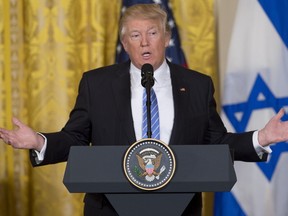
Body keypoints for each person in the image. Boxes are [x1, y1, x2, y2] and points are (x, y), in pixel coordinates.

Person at [0, 3, 288, 216]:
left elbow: (215, 142)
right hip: (108, 208)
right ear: (125, 44)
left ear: (165, 38)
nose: (145, 42)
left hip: (180, 207)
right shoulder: (96, 84)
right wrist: (40, 141)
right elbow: (75, 138)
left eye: (152, 33)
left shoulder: (197, 85)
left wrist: (260, 138)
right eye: (135, 35)